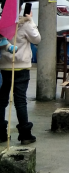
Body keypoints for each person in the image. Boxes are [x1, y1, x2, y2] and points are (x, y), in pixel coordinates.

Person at [0, 8, 39, 144]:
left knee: (1, 101)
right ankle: (25, 135)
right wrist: (31, 19)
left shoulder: (1, 22)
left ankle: (0, 133)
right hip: (21, 66)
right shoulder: (25, 23)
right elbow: (37, 39)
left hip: (3, 66)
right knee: (20, 101)